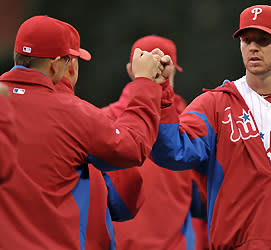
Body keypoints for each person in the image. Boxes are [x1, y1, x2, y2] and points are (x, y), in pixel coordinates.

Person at [151, 5, 271, 249]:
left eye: (264, 40)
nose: (253, 47)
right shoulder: (217, 103)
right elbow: (172, 152)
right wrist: (161, 95)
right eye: (246, 40)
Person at [0, 15, 172, 249]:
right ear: (57, 63)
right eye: (72, 60)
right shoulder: (72, 112)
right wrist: (144, 84)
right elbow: (133, 146)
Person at [103, 35, 209, 250]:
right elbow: (205, 200)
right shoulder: (190, 129)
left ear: (130, 70)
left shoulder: (99, 122)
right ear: (171, 71)